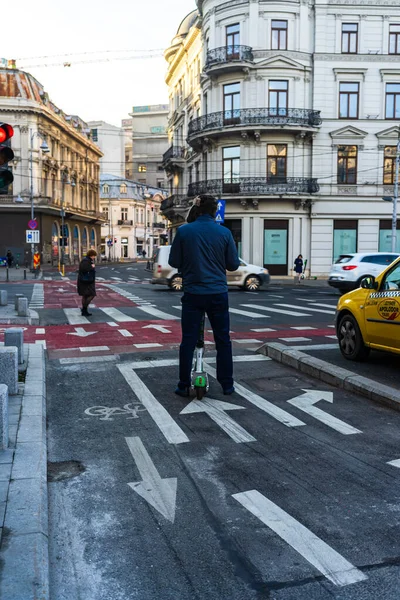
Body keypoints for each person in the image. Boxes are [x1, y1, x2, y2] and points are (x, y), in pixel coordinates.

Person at [169, 194, 240, 397]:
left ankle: (183, 385)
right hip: (218, 293)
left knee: (188, 340)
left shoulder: (184, 231)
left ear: (197, 210)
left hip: (192, 293)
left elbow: (174, 261)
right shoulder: (224, 233)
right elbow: (233, 264)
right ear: (214, 210)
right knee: (223, 340)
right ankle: (227, 384)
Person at [77, 249, 97, 316]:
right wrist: (92, 267)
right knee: (91, 294)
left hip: (85, 281)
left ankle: (84, 311)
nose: (94, 257)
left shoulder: (87, 260)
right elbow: (84, 269)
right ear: (91, 255)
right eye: (94, 256)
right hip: (86, 281)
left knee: (85, 295)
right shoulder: (86, 261)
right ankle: (84, 309)